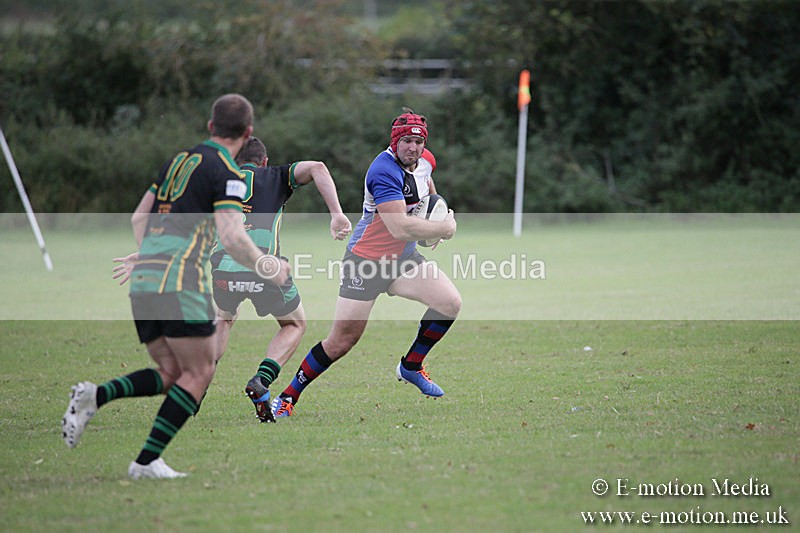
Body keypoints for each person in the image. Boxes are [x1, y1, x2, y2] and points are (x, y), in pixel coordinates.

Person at [61, 94, 290, 480]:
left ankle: (94, 396)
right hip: (181, 280)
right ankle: (145, 462)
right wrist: (269, 266)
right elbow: (233, 237)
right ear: (248, 132)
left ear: (210, 126)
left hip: (147, 279)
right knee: (199, 373)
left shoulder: (179, 161)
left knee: (171, 372)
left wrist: (149, 255)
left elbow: (139, 218)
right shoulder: (227, 174)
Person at [270, 110, 461, 419]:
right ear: (395, 141)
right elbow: (398, 227)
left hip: (402, 259)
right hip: (366, 263)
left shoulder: (425, 160)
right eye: (407, 142)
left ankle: (411, 365)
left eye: (418, 141)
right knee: (342, 341)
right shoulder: (382, 171)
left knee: (449, 303)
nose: (413, 148)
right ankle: (288, 396)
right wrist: (442, 228)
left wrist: (433, 211)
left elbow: (427, 184)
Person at [210, 136, 351, 423]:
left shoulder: (221, 181)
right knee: (295, 323)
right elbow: (318, 168)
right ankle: (263, 379)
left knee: (223, 319)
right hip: (265, 267)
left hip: (223, 268)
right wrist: (336, 214)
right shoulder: (275, 175)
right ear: (264, 161)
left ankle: (195, 388)